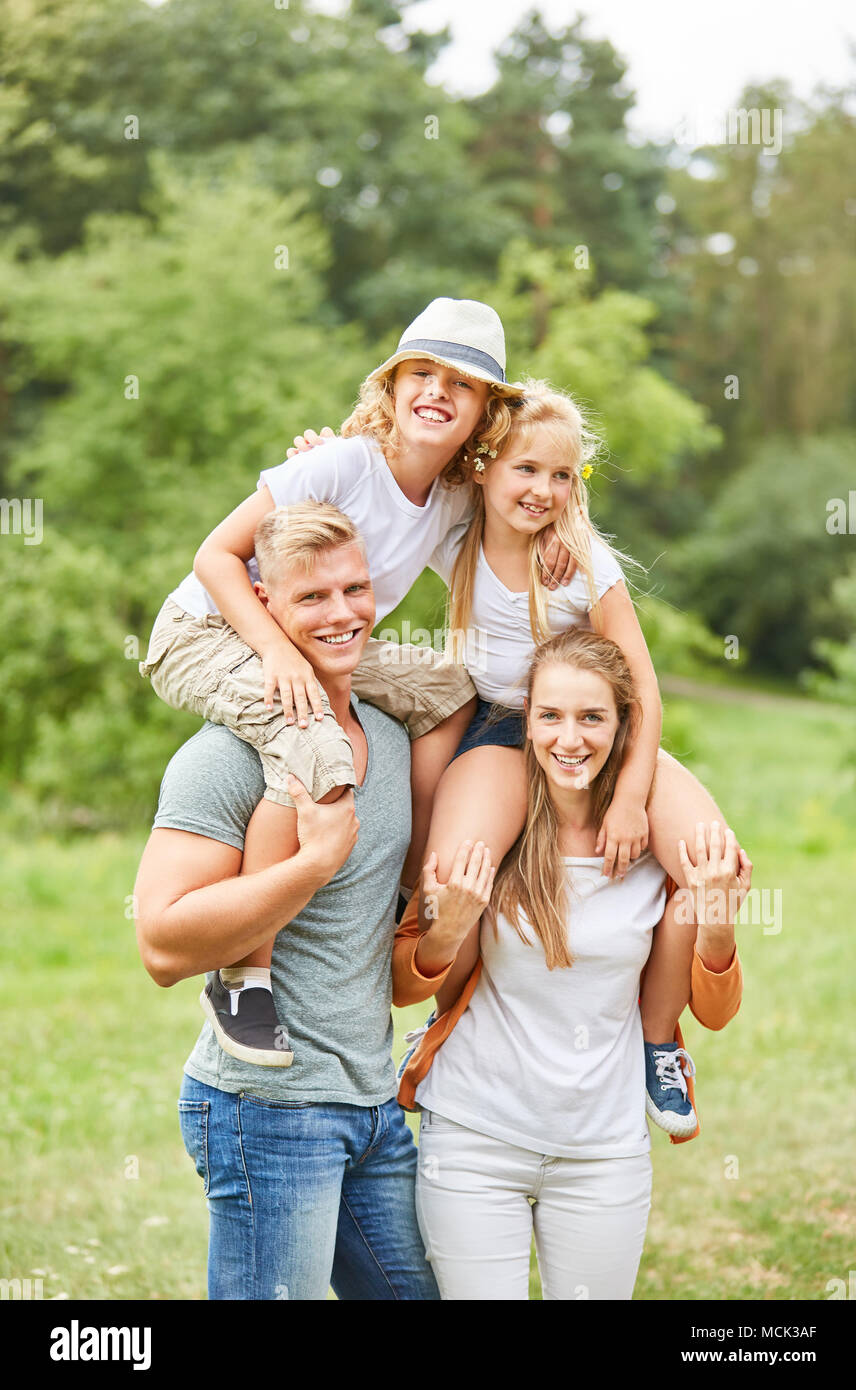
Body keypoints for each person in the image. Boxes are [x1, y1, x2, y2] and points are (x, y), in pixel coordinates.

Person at [138, 297, 574, 1065]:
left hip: (321, 637)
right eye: (421, 373)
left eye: (461, 385)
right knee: (304, 730)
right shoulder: (338, 464)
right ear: (393, 386)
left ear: (483, 417)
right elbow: (214, 556)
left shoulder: (449, 501)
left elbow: (524, 501)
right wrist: (273, 650)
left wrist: (558, 541)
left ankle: (407, 895)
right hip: (209, 630)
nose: (437, 391)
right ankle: (245, 975)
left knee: (447, 691)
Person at [134, 501, 470, 1300]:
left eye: (355, 589)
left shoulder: (391, 735)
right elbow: (162, 946)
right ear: (265, 608)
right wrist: (310, 865)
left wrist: (441, 930)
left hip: (372, 1106)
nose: (341, 612)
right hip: (271, 1114)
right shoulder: (222, 760)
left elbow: (385, 968)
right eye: (312, 598)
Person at [394, 381, 746, 1135]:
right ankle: (446, 1014)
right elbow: (386, 490)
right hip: (505, 729)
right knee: (451, 870)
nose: (545, 490)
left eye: (563, 476)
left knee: (711, 860)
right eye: (527, 470)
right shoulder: (454, 529)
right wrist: (328, 456)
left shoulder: (582, 560)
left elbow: (642, 689)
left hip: (600, 733)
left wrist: (628, 798)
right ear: (483, 466)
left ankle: (658, 1040)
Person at [393, 629, 749, 1300]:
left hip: (603, 1149)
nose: (570, 738)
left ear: (623, 726)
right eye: (551, 716)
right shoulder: (493, 826)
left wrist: (718, 924)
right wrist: (448, 933)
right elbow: (407, 984)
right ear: (526, 720)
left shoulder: (654, 847)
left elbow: (720, 1011)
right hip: (474, 1137)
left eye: (592, 718)